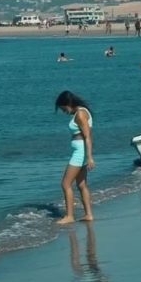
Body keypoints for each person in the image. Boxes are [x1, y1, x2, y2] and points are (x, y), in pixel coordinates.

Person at [55, 91, 95, 224]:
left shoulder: (80, 114)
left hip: (80, 153)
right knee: (81, 184)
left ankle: (69, 216)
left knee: (65, 184)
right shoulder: (81, 112)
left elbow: (87, 136)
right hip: (81, 152)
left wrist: (89, 157)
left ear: (68, 104)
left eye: (63, 109)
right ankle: (88, 214)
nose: (64, 112)